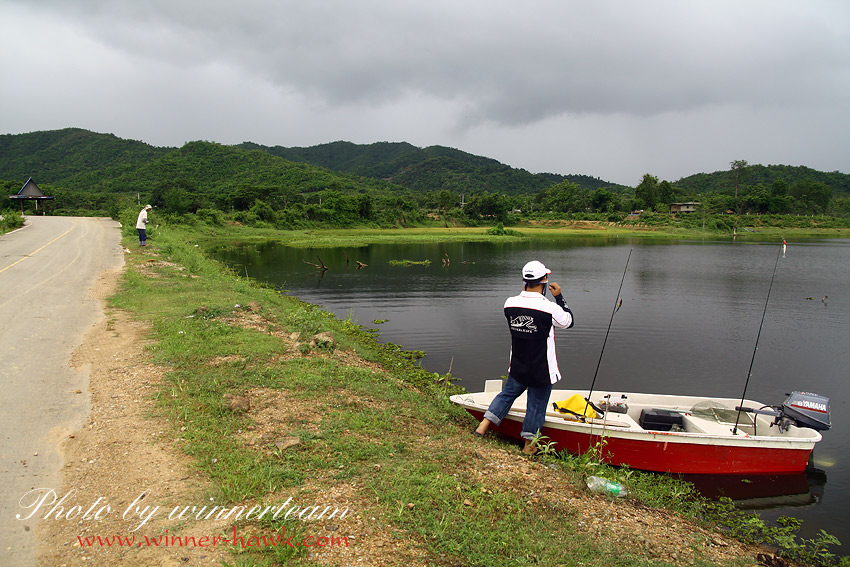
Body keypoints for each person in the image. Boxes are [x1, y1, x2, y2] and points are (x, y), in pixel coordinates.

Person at [474, 260, 574, 454]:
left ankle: (482, 427)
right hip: (541, 369)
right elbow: (568, 321)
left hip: (518, 365)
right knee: (536, 406)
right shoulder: (549, 308)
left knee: (507, 394)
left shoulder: (509, 303)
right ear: (544, 280)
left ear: (525, 281)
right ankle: (528, 447)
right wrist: (559, 297)